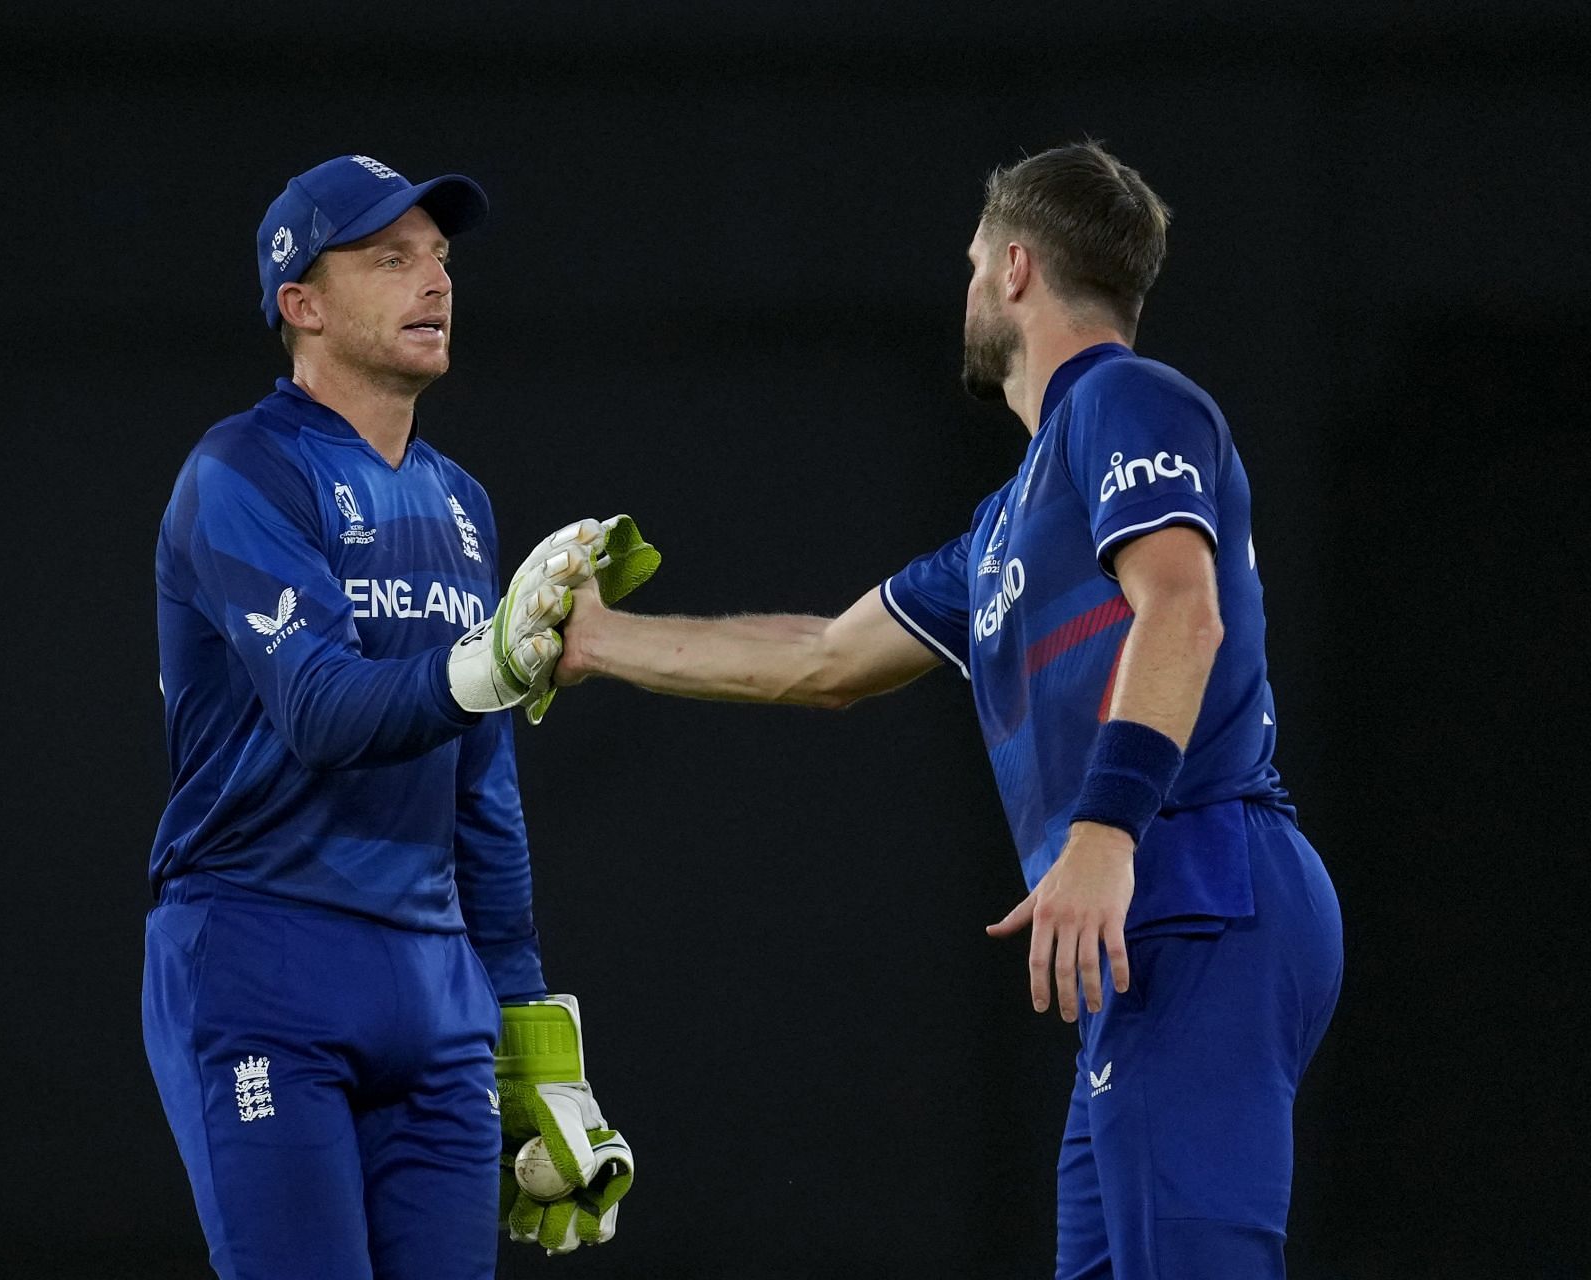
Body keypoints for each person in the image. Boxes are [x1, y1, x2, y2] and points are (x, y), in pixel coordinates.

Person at [554, 142, 1342, 1278]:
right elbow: (822, 657)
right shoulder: (1006, 523)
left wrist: (1105, 830)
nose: (965, 287)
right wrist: (601, 641)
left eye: (973, 263)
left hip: (1203, 879)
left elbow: (1182, 609)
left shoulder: (1125, 398)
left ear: (1016, 268)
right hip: (1149, 917)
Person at [142, 154, 633, 1280]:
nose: (434, 282)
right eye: (389, 258)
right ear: (299, 306)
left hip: (436, 979)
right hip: (264, 949)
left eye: (439, 259)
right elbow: (318, 707)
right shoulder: (242, 469)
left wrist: (532, 1034)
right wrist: (486, 660)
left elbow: (483, 786)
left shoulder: (462, 502)